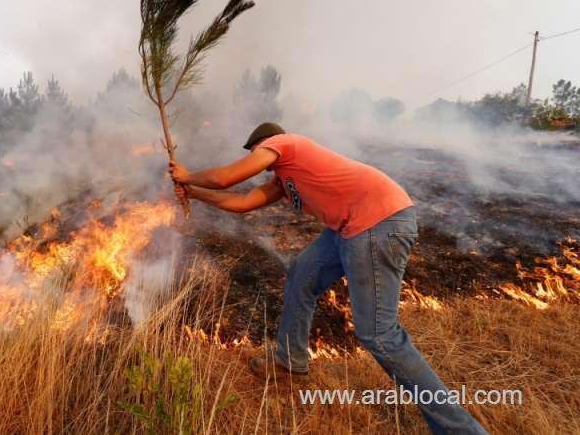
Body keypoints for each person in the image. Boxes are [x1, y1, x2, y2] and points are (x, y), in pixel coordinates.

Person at [169, 122, 486, 434]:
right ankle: (289, 361)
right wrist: (193, 192)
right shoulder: (285, 180)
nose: (261, 165)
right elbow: (241, 203)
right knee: (302, 273)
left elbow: (226, 179)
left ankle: (461, 429)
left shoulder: (285, 144)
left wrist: (187, 175)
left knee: (379, 334)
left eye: (256, 154)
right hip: (347, 229)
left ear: (266, 144)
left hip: (378, 222)